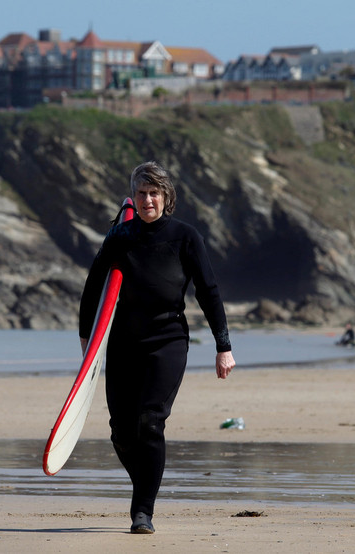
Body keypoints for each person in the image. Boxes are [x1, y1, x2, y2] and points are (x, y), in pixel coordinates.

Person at [79, 161, 236, 534]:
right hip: (121, 344)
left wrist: (223, 345)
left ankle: (142, 511)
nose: (147, 199)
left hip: (167, 341)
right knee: (121, 431)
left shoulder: (185, 236)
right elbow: (93, 287)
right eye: (141, 193)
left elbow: (209, 291)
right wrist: (87, 339)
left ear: (167, 197)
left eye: (154, 193)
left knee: (150, 422)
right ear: (133, 197)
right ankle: (147, 481)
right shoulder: (120, 237)